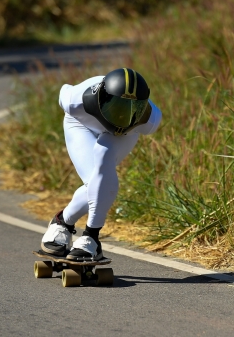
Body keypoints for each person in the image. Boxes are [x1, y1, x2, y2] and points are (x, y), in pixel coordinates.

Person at [40, 67, 162, 261]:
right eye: (116, 108)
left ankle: (90, 236)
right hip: (80, 123)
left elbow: (126, 122)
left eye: (132, 110)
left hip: (127, 133)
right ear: (102, 98)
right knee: (94, 183)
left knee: (103, 161)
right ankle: (63, 222)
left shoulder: (149, 119)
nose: (122, 117)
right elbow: (64, 89)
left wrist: (128, 120)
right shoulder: (74, 101)